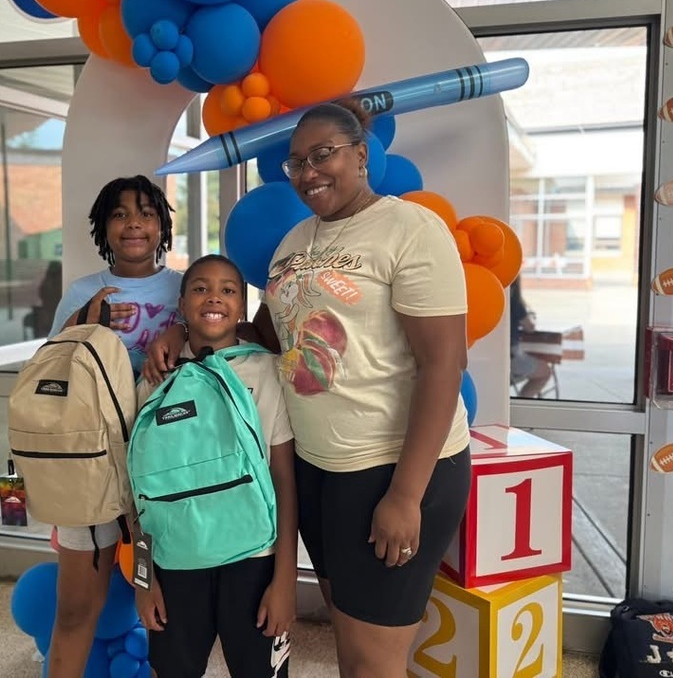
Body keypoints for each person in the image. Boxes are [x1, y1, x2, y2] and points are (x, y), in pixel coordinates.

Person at [145, 102, 472, 678]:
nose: (308, 172)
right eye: (297, 162)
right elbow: (267, 335)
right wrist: (183, 328)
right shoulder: (296, 238)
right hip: (320, 471)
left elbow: (443, 366)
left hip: (390, 469)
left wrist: (405, 495)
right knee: (349, 640)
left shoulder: (411, 228)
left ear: (362, 154)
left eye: (324, 155)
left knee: (374, 661)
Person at [134, 254, 297, 678]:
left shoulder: (265, 371)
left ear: (242, 308)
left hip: (255, 560)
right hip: (174, 564)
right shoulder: (155, 378)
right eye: (201, 288)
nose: (215, 297)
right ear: (183, 305)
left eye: (228, 290)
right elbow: (136, 494)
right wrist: (143, 579)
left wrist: (285, 581)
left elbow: (283, 480)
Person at [47, 175, 182, 678]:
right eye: (120, 214)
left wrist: (181, 326)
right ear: (104, 226)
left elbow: (219, 336)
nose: (134, 224)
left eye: (146, 213)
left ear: (162, 225)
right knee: (79, 607)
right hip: (94, 471)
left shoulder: (180, 287)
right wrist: (87, 320)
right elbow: (49, 370)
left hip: (165, 470)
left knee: (165, 601)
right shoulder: (84, 291)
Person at [509, 277, 554, 397]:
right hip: (512, 358)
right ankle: (523, 400)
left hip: (496, 361)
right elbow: (529, 327)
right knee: (546, 372)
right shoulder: (514, 301)